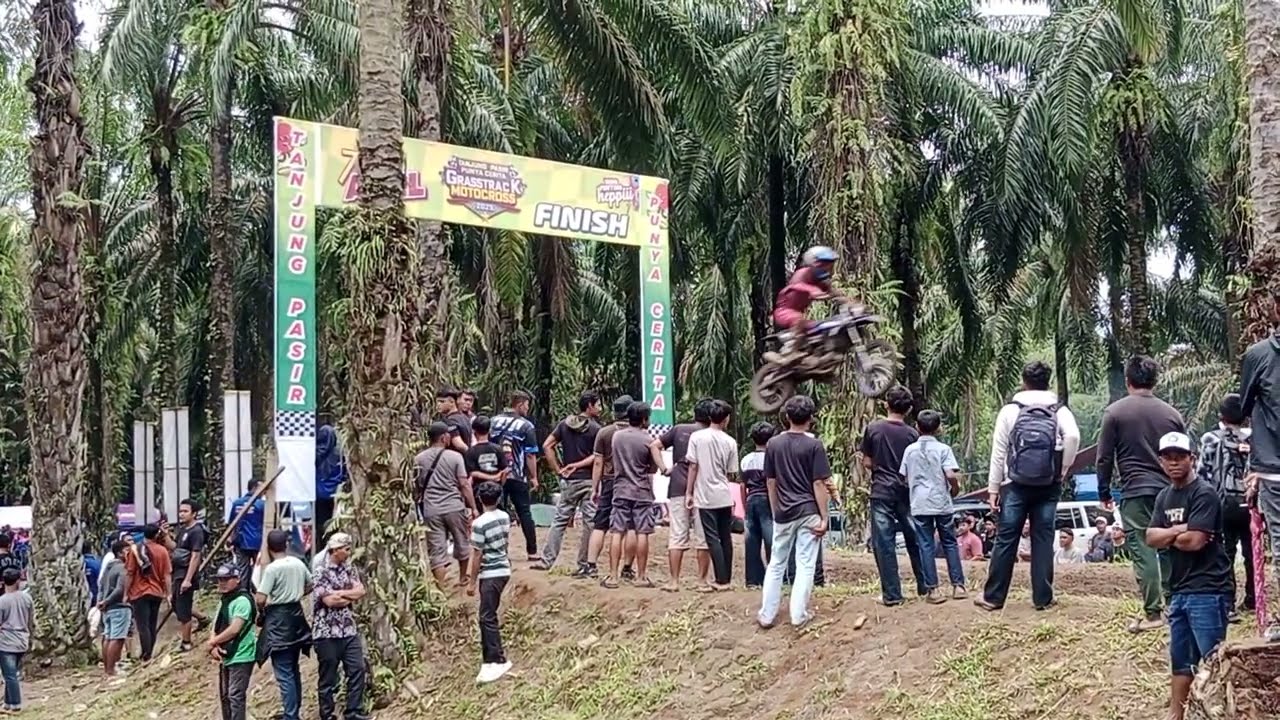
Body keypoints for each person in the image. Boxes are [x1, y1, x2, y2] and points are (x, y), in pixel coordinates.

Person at [976, 361, 1080, 612]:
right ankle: (1043, 598)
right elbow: (1074, 437)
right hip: (1049, 483)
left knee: (1006, 539)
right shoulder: (1059, 410)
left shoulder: (1010, 410)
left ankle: (993, 597)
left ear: (1024, 381)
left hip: (1015, 485)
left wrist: (993, 489)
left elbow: (998, 452)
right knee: (1043, 538)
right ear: (1048, 381)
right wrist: (1063, 470)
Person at [1146, 432, 1234, 720]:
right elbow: (1150, 537)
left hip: (1208, 589)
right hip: (1179, 589)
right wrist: (1177, 531)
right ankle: (1176, 715)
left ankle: (1217, 713)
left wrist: (1169, 535)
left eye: (1180, 457)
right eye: (1168, 458)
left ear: (1191, 459)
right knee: (1180, 662)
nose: (1174, 463)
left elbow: (1195, 541)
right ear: (1161, 462)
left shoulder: (1204, 493)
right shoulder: (1163, 496)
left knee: (1212, 661)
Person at [1097, 355, 1185, 633]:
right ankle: (1176, 607)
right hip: (1169, 490)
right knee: (1170, 546)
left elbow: (1104, 457)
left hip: (1135, 490)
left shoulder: (1115, 412)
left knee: (1144, 548)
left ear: (1128, 380)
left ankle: (1153, 612)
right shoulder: (1172, 414)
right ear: (1155, 380)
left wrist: (1104, 490)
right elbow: (1184, 454)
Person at [757, 395, 832, 628]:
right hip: (808, 510)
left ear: (786, 417)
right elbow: (819, 483)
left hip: (783, 511)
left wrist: (775, 508)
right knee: (805, 563)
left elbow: (771, 481)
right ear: (811, 418)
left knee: (776, 562)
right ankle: (798, 614)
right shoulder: (814, 445)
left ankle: (767, 614)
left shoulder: (773, 444)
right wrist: (824, 517)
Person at [862, 385, 927, 606]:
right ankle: (925, 586)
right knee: (915, 538)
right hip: (906, 491)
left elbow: (867, 461)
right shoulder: (912, 434)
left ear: (886, 404)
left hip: (881, 490)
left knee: (884, 542)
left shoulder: (874, 429)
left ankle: (892, 594)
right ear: (909, 410)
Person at [1196, 393, 1254, 620]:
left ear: (1221, 415)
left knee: (1225, 553)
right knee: (1252, 552)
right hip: (1251, 503)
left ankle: (1228, 605)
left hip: (1224, 504)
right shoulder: (1255, 438)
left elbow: (1203, 473)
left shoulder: (1211, 438)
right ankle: (1253, 599)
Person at [900, 409, 964, 602]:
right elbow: (951, 474)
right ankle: (958, 586)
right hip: (941, 501)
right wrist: (954, 488)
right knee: (950, 542)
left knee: (926, 544)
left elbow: (902, 476)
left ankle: (933, 590)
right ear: (939, 428)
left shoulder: (909, 450)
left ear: (917, 427)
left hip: (920, 503)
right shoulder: (944, 449)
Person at [603, 401, 668, 589]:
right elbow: (653, 467)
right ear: (644, 419)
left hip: (620, 489)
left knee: (617, 532)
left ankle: (613, 576)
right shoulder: (648, 440)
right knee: (642, 533)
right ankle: (640, 577)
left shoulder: (617, 437)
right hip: (641, 491)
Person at [535, 391, 602, 572]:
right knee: (590, 523)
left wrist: (559, 469)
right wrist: (579, 465)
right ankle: (584, 564)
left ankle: (546, 560)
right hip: (588, 481)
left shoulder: (565, 425)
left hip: (569, 481)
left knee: (560, 520)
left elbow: (547, 445)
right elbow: (598, 457)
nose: (600, 408)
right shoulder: (596, 429)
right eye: (598, 405)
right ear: (589, 406)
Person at [255, 529, 313, 720]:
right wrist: (297, 593)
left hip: (279, 619)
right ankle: (294, 711)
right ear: (286, 545)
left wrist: (262, 607)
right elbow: (311, 584)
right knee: (293, 667)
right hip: (297, 616)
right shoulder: (297, 563)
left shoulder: (272, 569)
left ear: (269, 548)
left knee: (284, 671)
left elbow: (261, 598)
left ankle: (290, 715)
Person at [654, 400, 711, 592]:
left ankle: (674, 581)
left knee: (677, 533)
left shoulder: (679, 430)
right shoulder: (712, 434)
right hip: (703, 488)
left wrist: (664, 469)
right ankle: (702, 581)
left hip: (678, 485)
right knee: (704, 536)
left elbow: (654, 446)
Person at [764, 246, 854, 365]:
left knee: (820, 328)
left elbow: (834, 293)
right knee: (798, 319)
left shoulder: (819, 280)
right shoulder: (802, 274)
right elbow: (800, 286)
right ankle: (789, 353)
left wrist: (852, 303)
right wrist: (815, 292)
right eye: (825, 263)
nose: (829, 268)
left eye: (830, 264)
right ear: (815, 263)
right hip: (784, 312)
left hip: (798, 316)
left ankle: (817, 358)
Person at [312, 533, 368, 720]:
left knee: (357, 668)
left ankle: (354, 711)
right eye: (345, 549)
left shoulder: (349, 568)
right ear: (335, 551)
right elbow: (330, 601)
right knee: (328, 676)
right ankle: (327, 714)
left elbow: (361, 591)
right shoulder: (320, 571)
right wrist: (348, 595)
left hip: (347, 628)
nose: (348, 552)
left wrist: (341, 593)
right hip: (326, 631)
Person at [414, 421, 476, 590]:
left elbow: (416, 486)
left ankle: (440, 588)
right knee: (462, 541)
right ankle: (463, 577)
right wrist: (473, 507)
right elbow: (464, 484)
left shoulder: (418, 459)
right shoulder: (455, 457)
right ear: (443, 437)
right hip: (454, 506)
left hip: (431, 509)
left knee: (436, 549)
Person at [686, 399, 739, 592]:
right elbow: (731, 471)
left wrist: (689, 492)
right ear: (725, 419)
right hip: (723, 494)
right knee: (725, 536)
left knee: (712, 537)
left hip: (705, 494)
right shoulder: (730, 442)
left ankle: (720, 580)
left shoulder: (697, 438)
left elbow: (693, 465)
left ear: (709, 417)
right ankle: (725, 579)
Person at [586, 396, 638, 580]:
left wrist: (595, 487)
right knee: (631, 525)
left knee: (600, 524)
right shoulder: (638, 433)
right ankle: (627, 568)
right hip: (631, 482)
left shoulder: (604, 432)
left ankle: (590, 565)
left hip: (609, 481)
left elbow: (598, 462)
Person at [469, 481, 514, 684]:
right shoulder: (504, 517)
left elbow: (477, 554)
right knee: (488, 614)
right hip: (503, 568)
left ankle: (496, 658)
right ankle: (490, 658)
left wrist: (471, 581)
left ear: (480, 499)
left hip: (490, 572)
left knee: (487, 616)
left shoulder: (479, 524)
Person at [489, 392, 541, 561]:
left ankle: (500, 551)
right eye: (526, 405)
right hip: (517, 475)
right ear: (519, 405)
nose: (527, 409)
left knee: (497, 512)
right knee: (524, 512)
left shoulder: (493, 421)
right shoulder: (526, 426)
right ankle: (532, 552)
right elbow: (530, 455)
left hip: (495, 475)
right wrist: (534, 477)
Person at [209, 563, 256, 720]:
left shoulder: (242, 601)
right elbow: (215, 626)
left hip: (242, 653)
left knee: (235, 695)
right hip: (226, 655)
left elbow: (235, 628)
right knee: (225, 696)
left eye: (226, 579)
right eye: (220, 579)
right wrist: (213, 645)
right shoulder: (224, 601)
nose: (222, 583)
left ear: (237, 579)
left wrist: (212, 642)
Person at [165, 498, 210, 651]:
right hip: (177, 572)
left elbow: (195, 556)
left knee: (183, 608)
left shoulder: (196, 531)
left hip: (185, 573)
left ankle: (186, 642)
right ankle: (202, 618)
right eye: (180, 511)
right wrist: (165, 536)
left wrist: (188, 579)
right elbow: (175, 548)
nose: (182, 514)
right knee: (177, 603)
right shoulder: (183, 530)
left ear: (194, 514)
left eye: (185, 511)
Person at [125, 523, 171, 662]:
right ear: (157, 535)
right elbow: (167, 574)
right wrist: (169, 593)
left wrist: (126, 593)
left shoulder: (136, 550)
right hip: (157, 592)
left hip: (140, 592)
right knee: (151, 624)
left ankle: (146, 655)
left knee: (142, 625)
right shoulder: (163, 551)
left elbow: (130, 573)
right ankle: (148, 653)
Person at [742, 422, 775, 588]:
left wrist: (744, 503)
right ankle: (774, 576)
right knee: (771, 540)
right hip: (766, 500)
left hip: (750, 500)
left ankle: (753, 579)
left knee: (751, 541)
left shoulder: (746, 459)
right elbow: (772, 483)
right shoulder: (772, 458)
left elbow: (743, 485)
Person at [97, 537, 131, 677]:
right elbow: (120, 589)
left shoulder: (108, 568)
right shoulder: (123, 568)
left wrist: (102, 602)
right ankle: (111, 669)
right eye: (127, 550)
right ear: (120, 553)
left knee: (108, 636)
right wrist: (108, 601)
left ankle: (107, 668)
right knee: (117, 638)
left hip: (107, 608)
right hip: (118, 606)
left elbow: (101, 585)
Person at [0, 568, 30, 712]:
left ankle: (16, 704)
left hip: (7, 641)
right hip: (22, 639)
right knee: (11, 673)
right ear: (18, 581)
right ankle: (7, 702)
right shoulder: (26, 598)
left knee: (10, 675)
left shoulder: (2, 601)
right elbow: (31, 620)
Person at [464, 415, 508, 508]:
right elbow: (505, 471)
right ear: (489, 431)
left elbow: (472, 474)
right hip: (496, 490)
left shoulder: (471, 451)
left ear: (474, 431)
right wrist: (498, 481)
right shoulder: (498, 449)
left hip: (479, 491)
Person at [436, 387, 473, 451]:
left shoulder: (450, 421)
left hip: (454, 458)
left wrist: (469, 454)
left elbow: (459, 445)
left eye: (442, 401)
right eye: (438, 402)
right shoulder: (465, 417)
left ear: (452, 402)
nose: (438, 404)